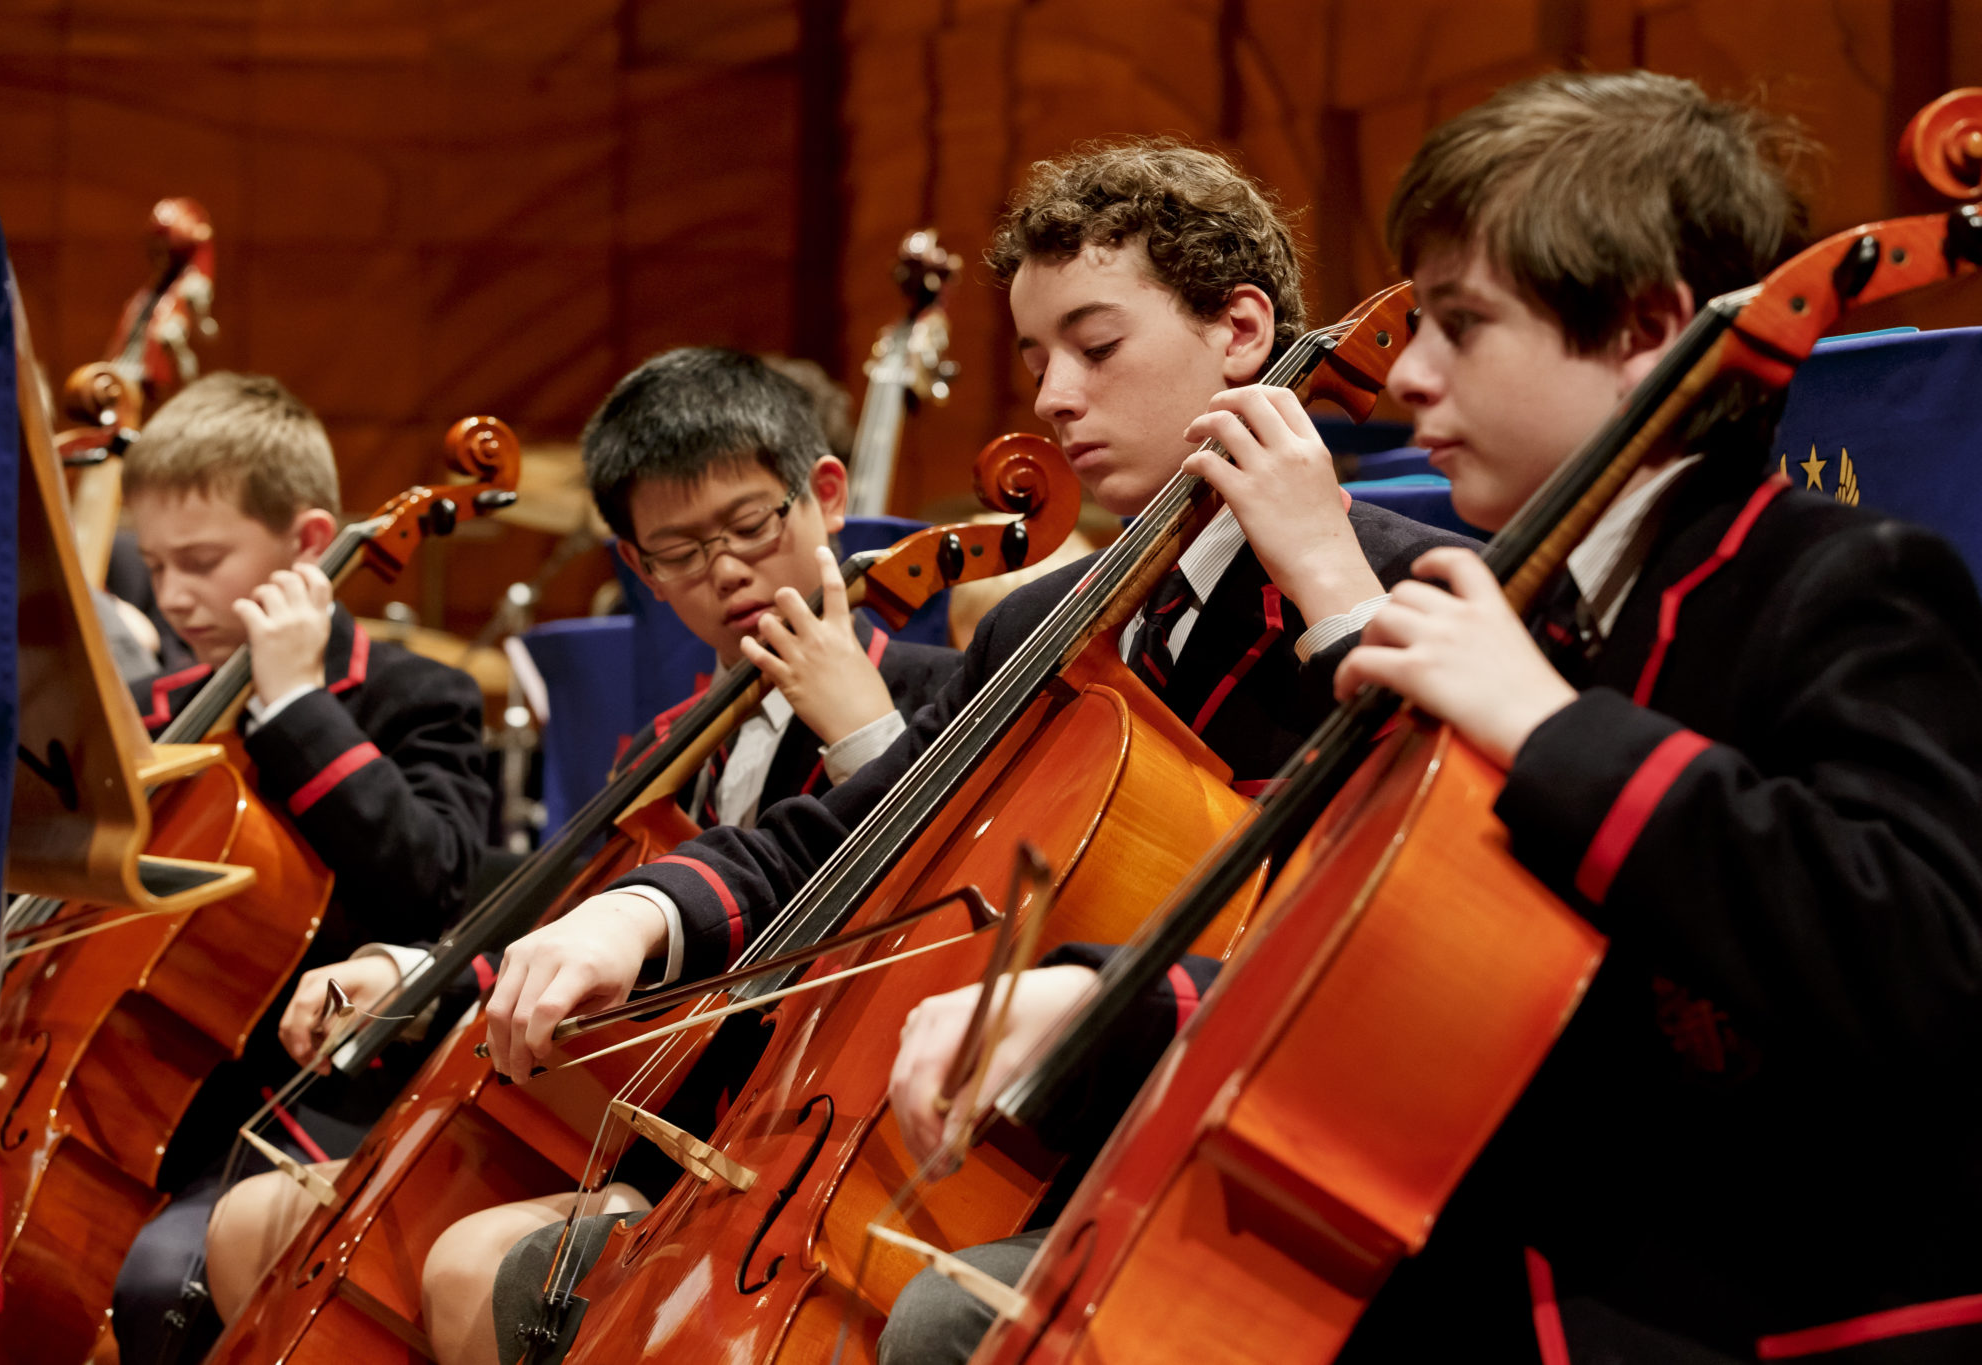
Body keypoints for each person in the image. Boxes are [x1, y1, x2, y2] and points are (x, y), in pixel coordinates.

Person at [894, 71, 1982, 1365]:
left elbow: (1930, 962)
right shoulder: (1534, 610)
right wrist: (1099, 1001)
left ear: (1645, 329)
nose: (1405, 377)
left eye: (1459, 324)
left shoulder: (1837, 581)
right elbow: (1408, 975)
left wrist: (1548, 730)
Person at [476, 138, 1478, 1361]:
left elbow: (1402, 906)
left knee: (943, 1322)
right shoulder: (1040, 624)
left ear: (1238, 331)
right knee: (551, 1282)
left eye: (1094, 348)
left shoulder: (1406, 587)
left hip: (1243, 1159)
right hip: (1007, 1149)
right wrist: (635, 914)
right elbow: (854, 831)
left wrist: (1328, 589)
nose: (1052, 397)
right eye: (1036, 360)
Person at [200, 347, 964, 1365]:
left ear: (824, 496)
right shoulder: (666, 746)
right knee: (257, 1220)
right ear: (640, 569)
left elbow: (943, 913)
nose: (724, 571)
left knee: (476, 1263)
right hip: (642, 1126)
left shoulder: (938, 695)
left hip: (811, 1143)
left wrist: (865, 736)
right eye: (679, 551)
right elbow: (564, 925)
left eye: (749, 526)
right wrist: (412, 973)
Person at [108, 371, 493, 1363]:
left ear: (309, 542)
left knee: (163, 1280)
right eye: (154, 564)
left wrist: (293, 708)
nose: (172, 595)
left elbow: (432, 889)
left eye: (202, 560)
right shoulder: (150, 714)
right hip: (139, 1089)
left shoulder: (415, 697)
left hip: (316, 1097)